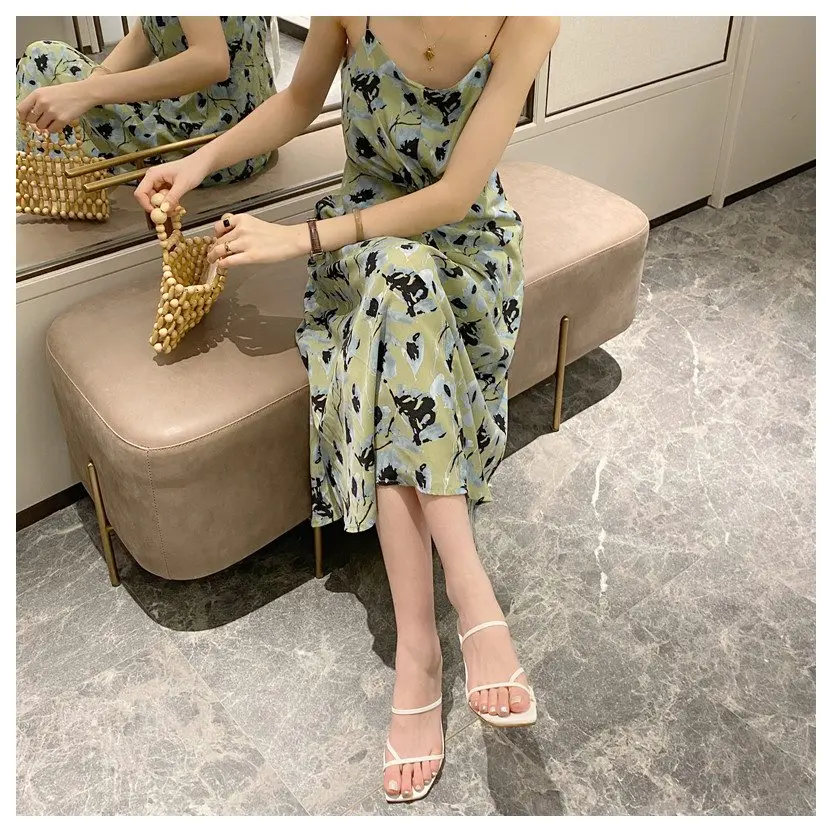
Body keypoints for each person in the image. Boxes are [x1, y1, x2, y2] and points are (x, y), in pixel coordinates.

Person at [135, 16, 560, 803]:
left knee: (402, 319)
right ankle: (469, 600)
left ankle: (420, 651)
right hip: (363, 253)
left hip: (466, 253)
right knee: (399, 289)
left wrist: (296, 238)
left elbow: (454, 195)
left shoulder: (524, 17)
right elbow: (298, 102)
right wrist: (196, 162)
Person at [16, 17, 276, 185]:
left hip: (212, 142)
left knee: (42, 59)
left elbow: (210, 61)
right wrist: (91, 85)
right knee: (57, 78)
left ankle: (36, 182)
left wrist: (87, 92)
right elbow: (144, 34)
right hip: (254, 130)